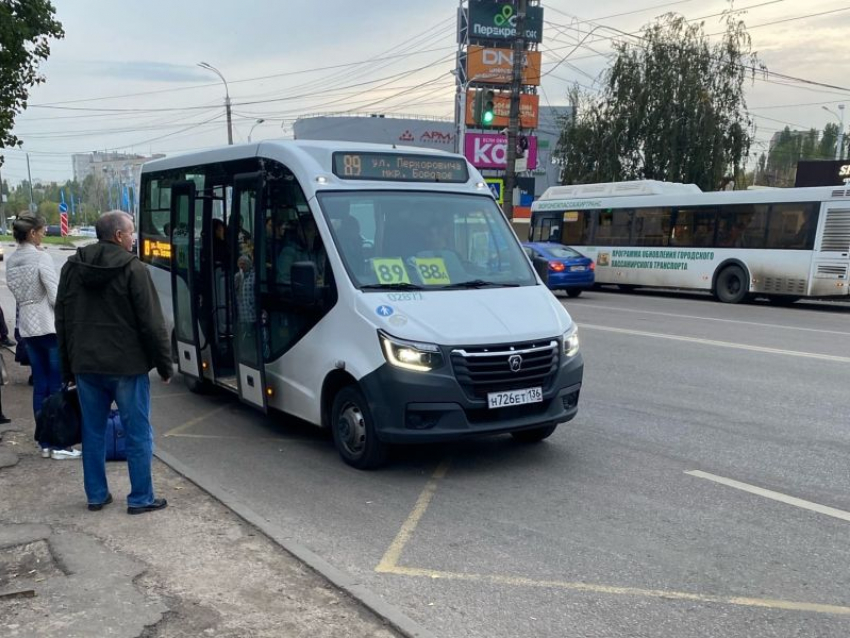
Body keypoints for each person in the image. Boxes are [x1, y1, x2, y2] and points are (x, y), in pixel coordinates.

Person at [55, 211, 173, 514]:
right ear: (119, 235)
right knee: (137, 433)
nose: (134, 238)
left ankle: (96, 495)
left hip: (86, 366)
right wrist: (164, 364)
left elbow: (63, 320)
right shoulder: (134, 269)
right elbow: (152, 322)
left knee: (92, 432)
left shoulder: (71, 268)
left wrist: (67, 367)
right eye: (132, 232)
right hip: (127, 366)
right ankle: (140, 498)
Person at [5, 215, 77, 459]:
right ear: (33, 233)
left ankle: (44, 441)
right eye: (42, 230)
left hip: (27, 325)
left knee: (41, 384)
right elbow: (56, 295)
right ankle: (58, 443)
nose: (44, 233)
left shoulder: (12, 260)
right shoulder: (41, 257)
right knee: (58, 384)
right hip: (48, 324)